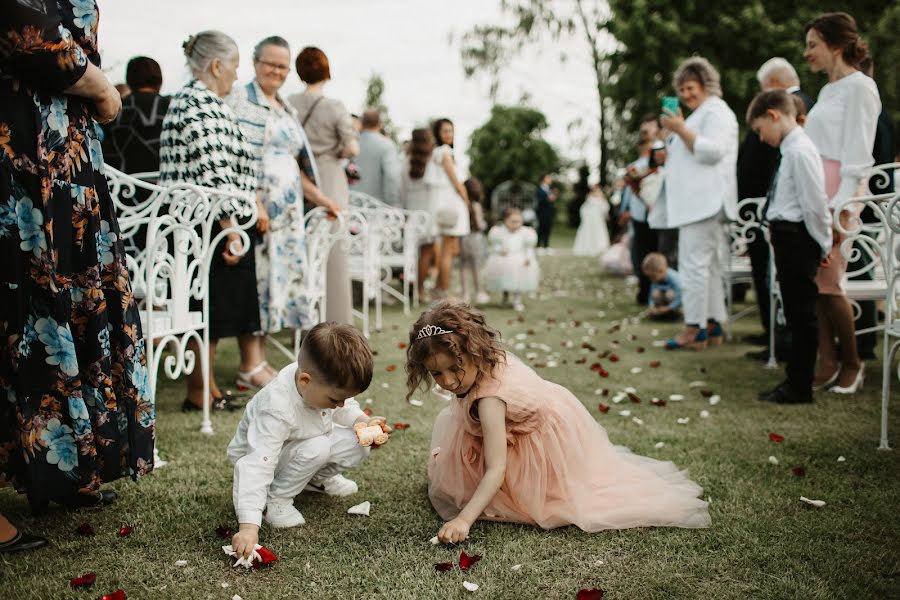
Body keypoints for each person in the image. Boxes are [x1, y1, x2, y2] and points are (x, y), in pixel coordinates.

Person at [1, 0, 154, 514]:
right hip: (21, 153)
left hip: (66, 158)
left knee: (70, 300)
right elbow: (24, 28)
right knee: (24, 306)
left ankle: (64, 467)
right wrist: (103, 87)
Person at [406, 302, 710, 543]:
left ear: (473, 351)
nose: (447, 381)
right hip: (528, 415)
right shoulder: (484, 360)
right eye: (436, 373)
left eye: (454, 368)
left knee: (536, 496)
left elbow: (496, 467)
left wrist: (463, 519)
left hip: (538, 440)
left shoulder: (490, 402)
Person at [227, 36, 340, 392]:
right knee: (259, 283)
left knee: (278, 283)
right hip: (259, 212)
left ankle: (258, 360)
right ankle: (250, 363)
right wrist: (254, 202)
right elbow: (238, 160)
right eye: (270, 64)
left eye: (282, 66)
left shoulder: (285, 108)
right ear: (255, 62)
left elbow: (296, 165)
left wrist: (323, 199)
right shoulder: (242, 101)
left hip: (288, 218)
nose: (276, 71)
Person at [159, 31, 261, 411]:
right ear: (217, 65)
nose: (236, 75)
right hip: (203, 224)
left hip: (201, 222)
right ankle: (199, 392)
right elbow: (212, 171)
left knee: (211, 308)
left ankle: (208, 387)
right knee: (207, 307)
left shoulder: (198, 100)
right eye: (234, 67)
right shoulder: (198, 104)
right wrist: (231, 227)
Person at [228, 323, 385, 560]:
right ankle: (277, 499)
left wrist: (364, 421)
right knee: (318, 447)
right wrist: (249, 527)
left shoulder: (318, 382)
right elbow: (258, 463)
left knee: (357, 443)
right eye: (335, 399)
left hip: (304, 445)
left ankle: (315, 481)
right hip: (269, 457)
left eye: (345, 398)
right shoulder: (276, 408)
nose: (341, 404)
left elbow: (346, 409)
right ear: (304, 381)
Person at [803, 12, 881, 394]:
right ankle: (827, 360)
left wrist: (841, 209)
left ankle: (853, 361)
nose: (807, 53)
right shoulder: (827, 91)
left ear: (836, 44)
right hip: (816, 191)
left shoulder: (860, 88)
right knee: (815, 285)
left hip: (840, 196)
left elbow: (858, 158)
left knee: (831, 284)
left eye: (813, 44)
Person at [748, 91, 833, 404]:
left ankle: (799, 386)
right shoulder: (790, 150)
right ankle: (794, 380)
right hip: (786, 237)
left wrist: (823, 244)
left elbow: (815, 204)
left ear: (773, 116)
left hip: (798, 239)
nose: (760, 138)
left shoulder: (800, 151)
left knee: (801, 315)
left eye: (759, 130)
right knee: (793, 312)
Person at [738, 57, 815, 358]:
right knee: (771, 279)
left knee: (782, 285)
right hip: (769, 211)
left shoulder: (795, 109)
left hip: (782, 214)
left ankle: (781, 342)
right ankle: (774, 336)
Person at [660, 56, 739, 350]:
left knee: (695, 266)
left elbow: (712, 152)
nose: (685, 94)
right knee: (708, 267)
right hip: (696, 203)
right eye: (681, 90)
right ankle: (713, 324)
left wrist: (679, 129)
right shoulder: (699, 115)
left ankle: (694, 328)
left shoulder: (715, 111)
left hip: (704, 202)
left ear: (706, 84)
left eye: (690, 87)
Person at [289, 48, 359, 325]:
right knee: (332, 250)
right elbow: (352, 147)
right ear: (326, 71)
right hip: (328, 177)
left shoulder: (288, 102)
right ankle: (336, 319)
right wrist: (342, 152)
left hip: (298, 177)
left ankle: (302, 318)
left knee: (302, 248)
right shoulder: (335, 107)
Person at [849, 56, 895, 361]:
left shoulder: (867, 114)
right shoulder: (882, 114)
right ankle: (861, 338)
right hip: (877, 203)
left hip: (866, 205)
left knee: (859, 269)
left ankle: (861, 342)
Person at [101, 56, 170, 176]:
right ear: (160, 80)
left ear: (129, 81)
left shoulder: (115, 109)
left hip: (121, 188)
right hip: (168, 187)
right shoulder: (171, 107)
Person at [621, 115, 664, 301]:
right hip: (640, 215)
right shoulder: (636, 165)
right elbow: (630, 191)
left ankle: (659, 292)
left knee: (659, 253)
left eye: (650, 129)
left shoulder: (664, 155)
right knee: (642, 253)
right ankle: (644, 291)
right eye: (644, 130)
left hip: (660, 214)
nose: (646, 133)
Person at [427, 118, 470, 298]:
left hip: (445, 204)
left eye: (451, 131)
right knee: (448, 250)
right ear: (438, 133)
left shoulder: (440, 152)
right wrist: (466, 199)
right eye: (445, 131)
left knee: (448, 248)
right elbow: (455, 181)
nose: (449, 134)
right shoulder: (444, 152)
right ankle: (443, 290)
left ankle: (439, 287)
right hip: (450, 205)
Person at [401, 128, 440, 299]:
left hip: (410, 208)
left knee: (410, 252)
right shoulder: (431, 163)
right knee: (425, 252)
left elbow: (401, 188)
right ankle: (420, 290)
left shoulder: (405, 161)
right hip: (428, 210)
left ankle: (410, 286)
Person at [483, 207, 539, 311]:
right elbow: (494, 246)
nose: (516, 224)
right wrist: (500, 250)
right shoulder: (499, 232)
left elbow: (528, 248)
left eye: (519, 222)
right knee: (505, 280)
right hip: (504, 260)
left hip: (519, 260)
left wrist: (528, 258)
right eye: (513, 222)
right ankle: (505, 296)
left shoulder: (526, 233)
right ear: (505, 220)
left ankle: (517, 299)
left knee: (517, 281)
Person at [355, 109, 401, 206]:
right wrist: (393, 203)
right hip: (377, 207)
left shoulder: (352, 144)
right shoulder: (386, 145)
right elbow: (391, 176)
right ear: (380, 124)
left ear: (362, 123)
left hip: (352, 204)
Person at [459, 178, 489, 304]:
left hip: (463, 237)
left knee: (464, 266)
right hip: (475, 238)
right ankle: (479, 292)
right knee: (476, 266)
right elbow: (480, 224)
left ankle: (465, 293)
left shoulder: (462, 204)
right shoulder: (476, 205)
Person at [642, 253, 683, 321]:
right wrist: (651, 306)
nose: (651, 279)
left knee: (669, 294)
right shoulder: (655, 279)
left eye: (653, 276)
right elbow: (651, 294)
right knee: (655, 293)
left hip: (677, 303)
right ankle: (661, 314)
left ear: (661, 271)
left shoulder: (673, 278)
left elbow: (681, 296)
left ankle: (677, 314)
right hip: (665, 303)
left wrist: (668, 308)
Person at [572, 184, 610, 256]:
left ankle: (599, 247)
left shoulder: (601, 196)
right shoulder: (589, 195)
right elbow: (584, 207)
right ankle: (588, 246)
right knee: (588, 231)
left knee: (598, 231)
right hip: (589, 217)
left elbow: (605, 206)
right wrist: (584, 216)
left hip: (597, 217)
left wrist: (605, 214)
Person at [534, 174, 556, 251]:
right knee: (541, 228)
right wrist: (548, 199)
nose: (550, 180)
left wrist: (552, 198)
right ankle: (539, 246)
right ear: (543, 179)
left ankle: (546, 246)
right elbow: (540, 200)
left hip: (549, 212)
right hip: (542, 212)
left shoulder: (549, 189)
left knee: (548, 228)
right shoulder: (539, 189)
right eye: (548, 178)